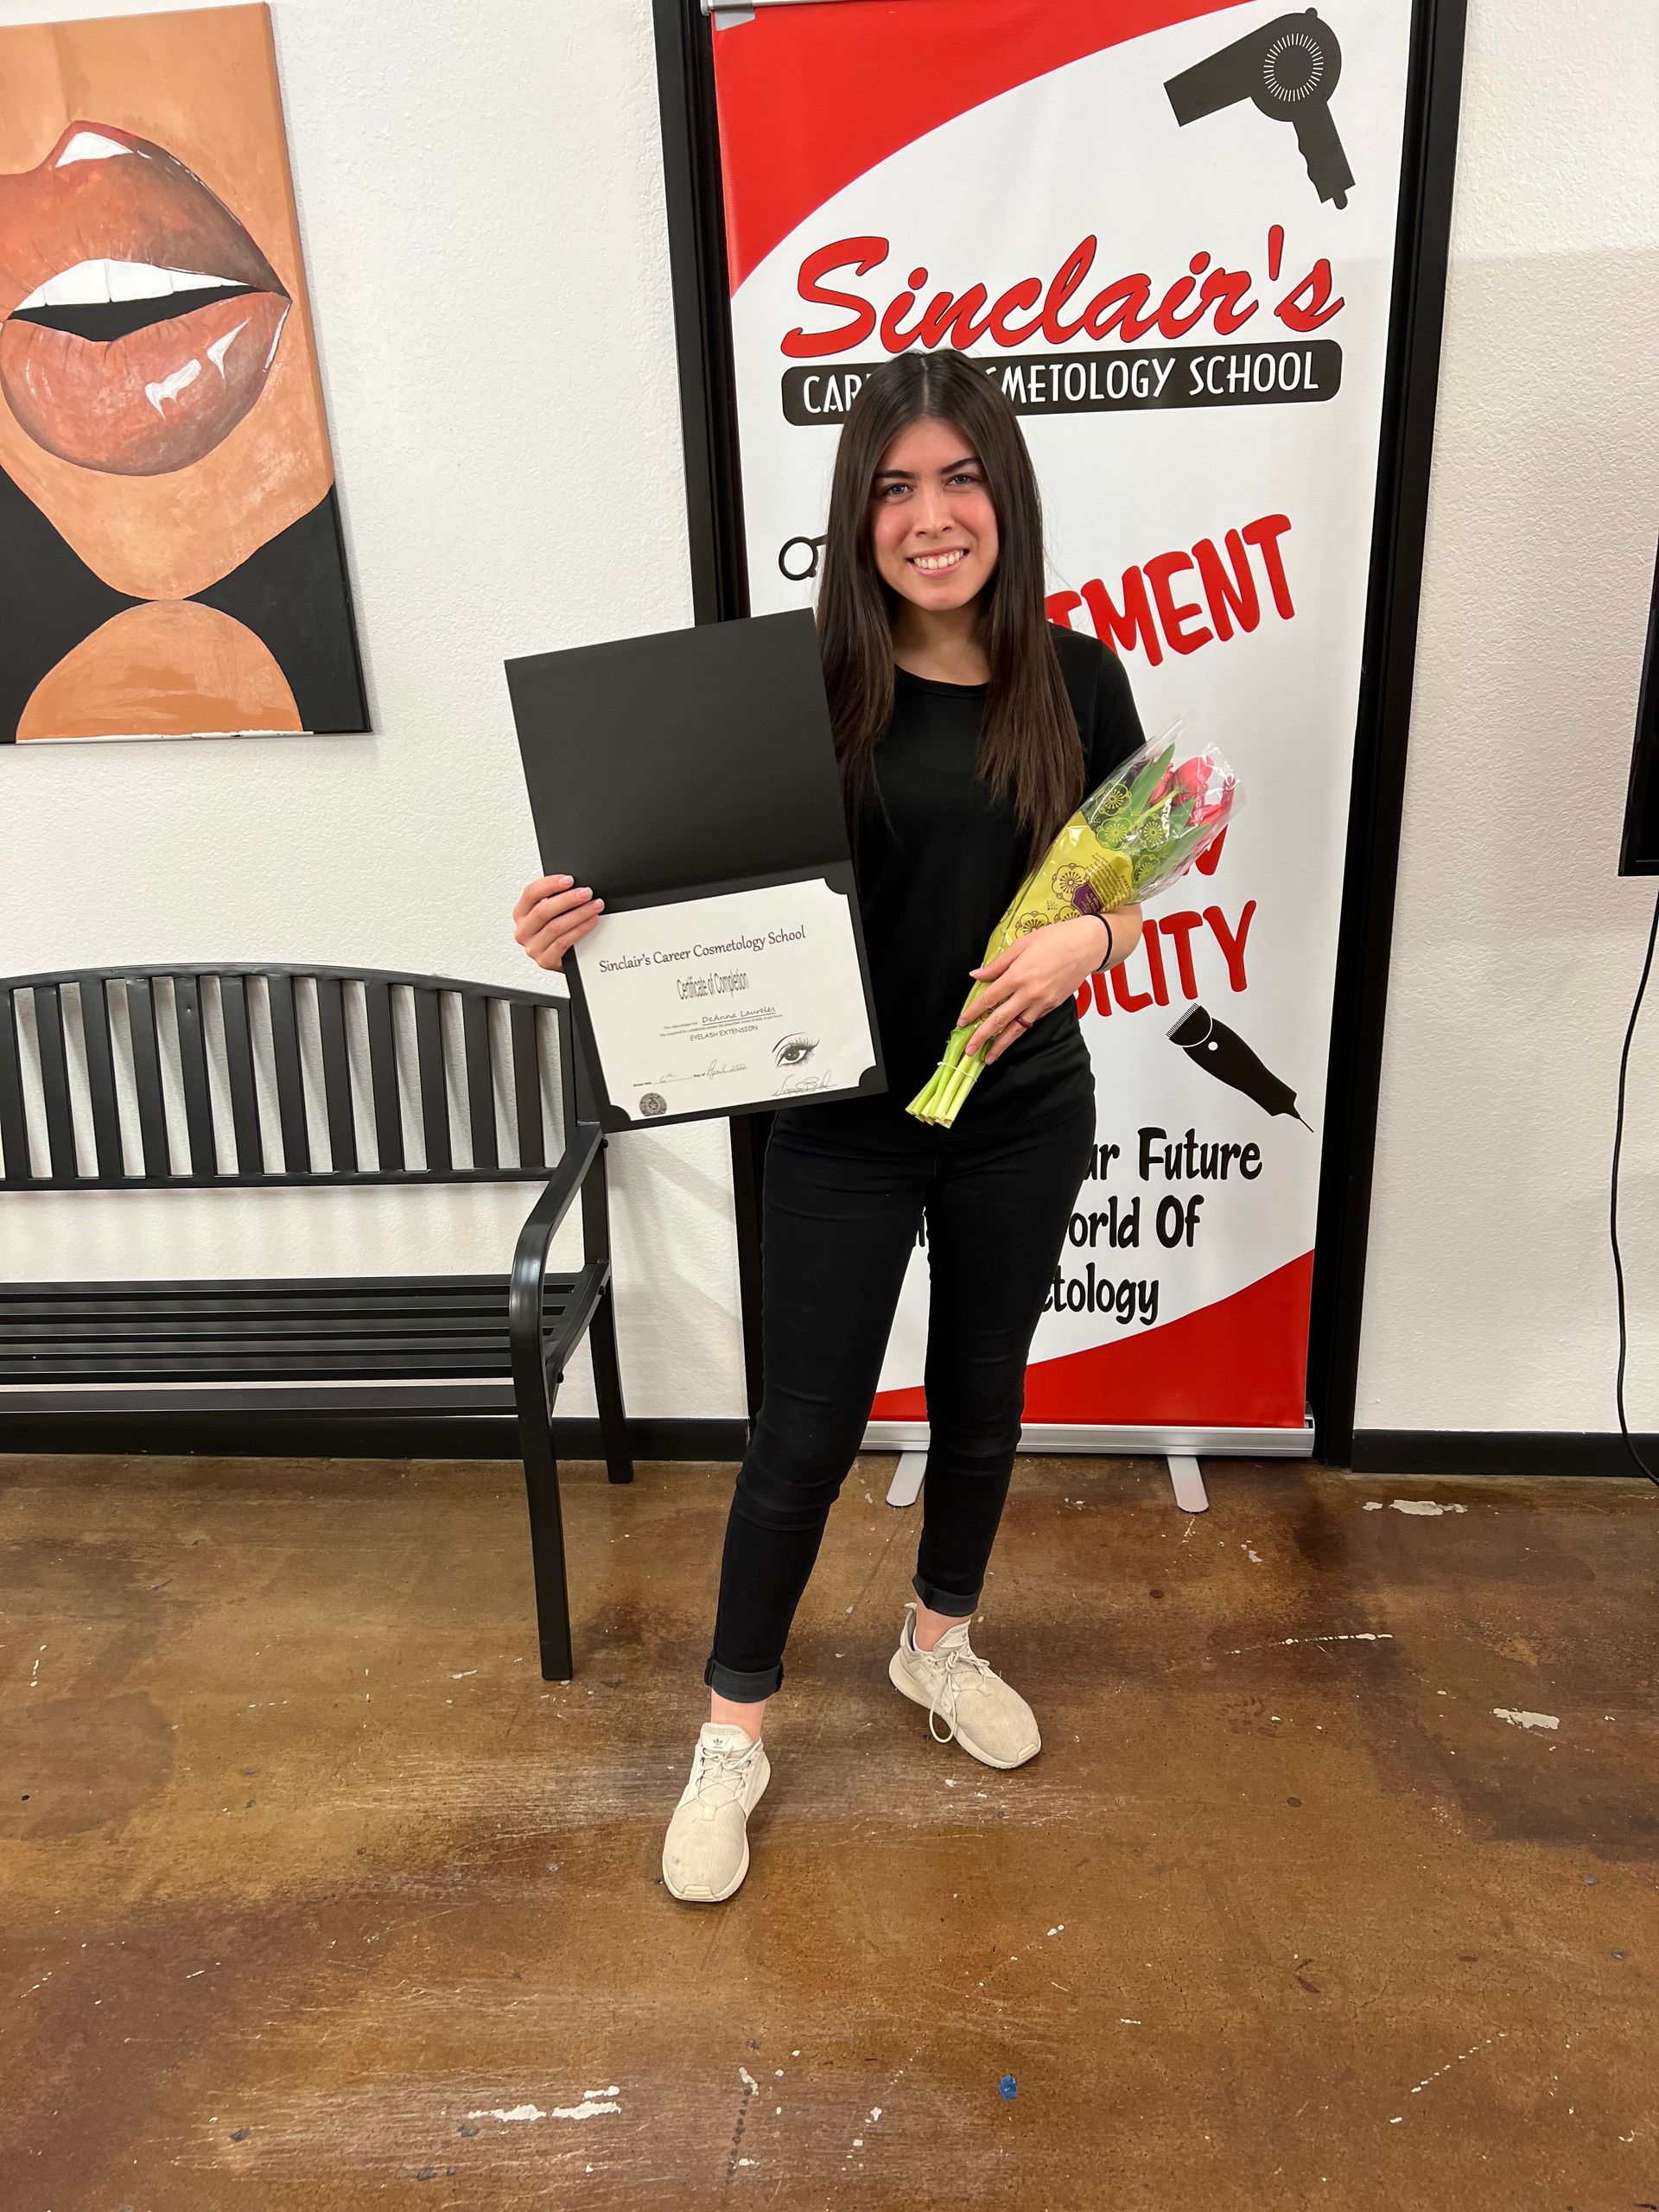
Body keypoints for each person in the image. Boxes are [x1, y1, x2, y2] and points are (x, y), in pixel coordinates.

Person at [512, 352, 1146, 1904]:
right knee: (802, 1435)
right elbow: (678, 889)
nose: (933, 517)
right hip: (842, 1127)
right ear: (859, 518)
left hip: (1019, 1114)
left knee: (982, 1405)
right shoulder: (797, 690)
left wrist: (1093, 936)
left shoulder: (1078, 679)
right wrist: (578, 925)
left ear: (1004, 496)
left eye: (961, 479)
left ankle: (940, 1640)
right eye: (895, 489)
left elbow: (1121, 874)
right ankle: (733, 1730)